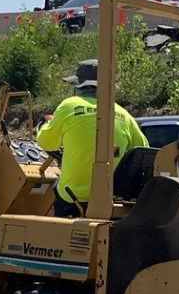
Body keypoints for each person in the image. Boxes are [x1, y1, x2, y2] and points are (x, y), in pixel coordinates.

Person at [38, 61, 148, 214]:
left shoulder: (69, 105)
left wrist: (45, 125)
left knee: (57, 186)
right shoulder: (123, 114)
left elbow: (46, 142)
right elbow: (143, 151)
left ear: (78, 86)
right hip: (111, 197)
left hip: (74, 197)